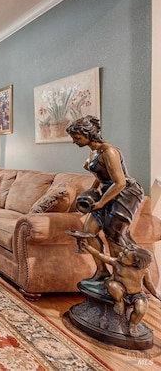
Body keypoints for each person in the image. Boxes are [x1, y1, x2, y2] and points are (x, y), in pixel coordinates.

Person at [66, 116, 144, 280]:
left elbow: (120, 182)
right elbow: (101, 175)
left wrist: (101, 202)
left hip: (125, 194)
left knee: (113, 234)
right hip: (108, 191)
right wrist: (92, 191)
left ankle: (121, 277)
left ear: (88, 134)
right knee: (88, 232)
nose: (74, 142)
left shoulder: (109, 151)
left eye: (77, 138)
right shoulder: (94, 151)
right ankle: (101, 272)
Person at [79, 239, 161, 336]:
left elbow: (148, 283)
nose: (121, 255)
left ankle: (133, 324)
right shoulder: (116, 263)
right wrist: (88, 247)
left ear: (135, 263)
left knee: (141, 310)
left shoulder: (143, 270)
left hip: (137, 294)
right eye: (123, 253)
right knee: (112, 285)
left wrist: (155, 293)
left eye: (125, 256)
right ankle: (119, 302)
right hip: (120, 291)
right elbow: (101, 256)